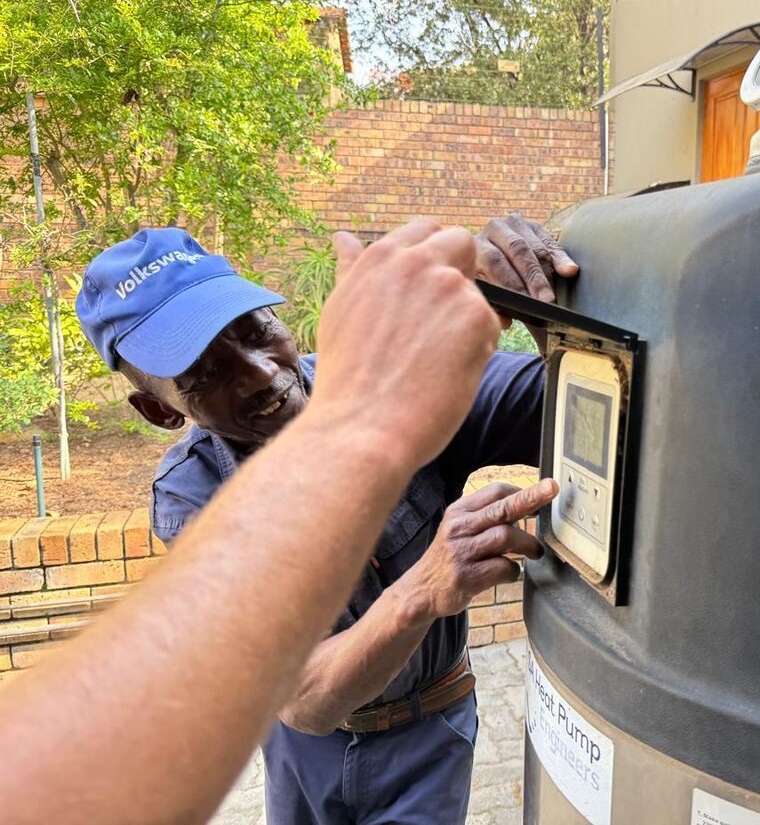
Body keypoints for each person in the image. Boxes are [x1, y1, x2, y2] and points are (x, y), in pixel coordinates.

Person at [0, 219, 559, 825]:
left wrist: (536, 306)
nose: (262, 373)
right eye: (207, 373)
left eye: (256, 330)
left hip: (429, 731)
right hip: (304, 753)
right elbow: (306, 699)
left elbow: (582, 406)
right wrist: (424, 588)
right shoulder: (192, 495)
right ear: (161, 410)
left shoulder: (396, 388)